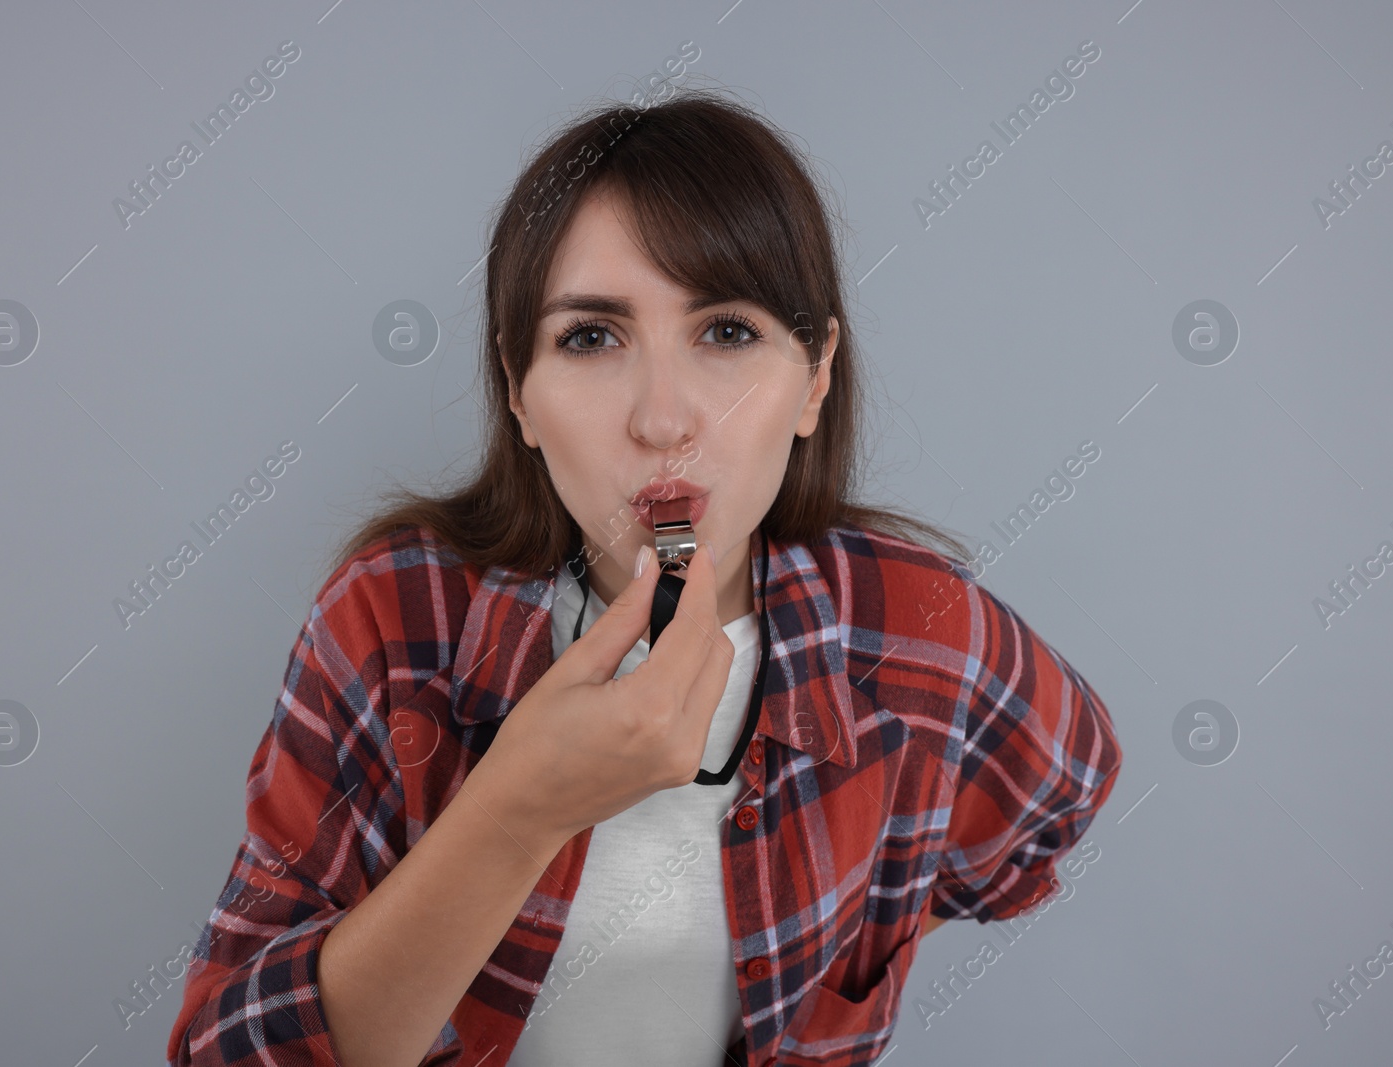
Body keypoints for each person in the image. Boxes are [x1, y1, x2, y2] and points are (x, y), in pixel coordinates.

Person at [166, 88, 1123, 1067]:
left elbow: (1057, 799)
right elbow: (223, 1053)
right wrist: (519, 807)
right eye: (590, 337)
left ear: (816, 376)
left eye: (726, 333)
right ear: (519, 395)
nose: (663, 419)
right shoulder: (392, 618)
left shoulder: (919, 630)